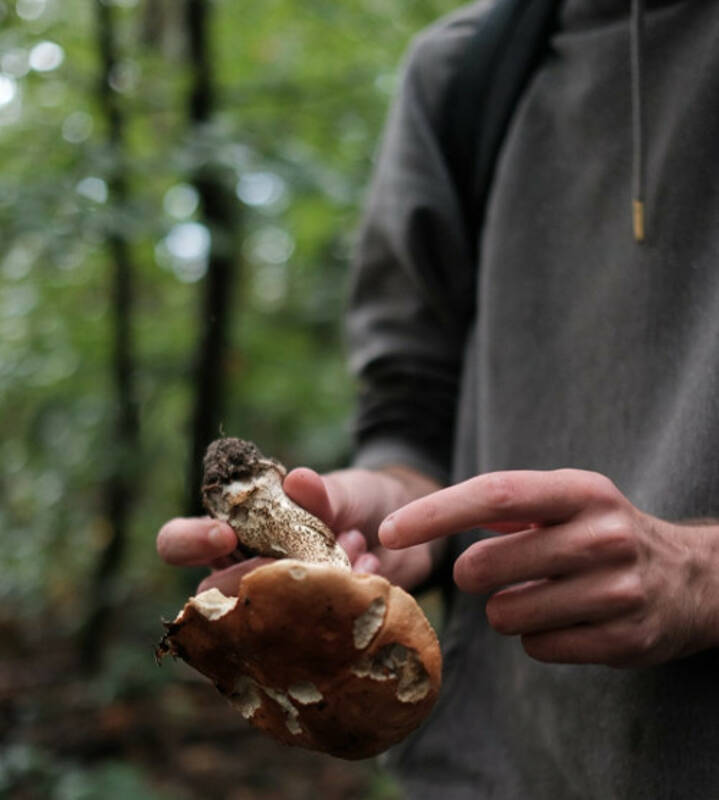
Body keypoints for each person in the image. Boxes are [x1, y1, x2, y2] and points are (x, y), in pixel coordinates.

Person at [157, 0, 719, 796]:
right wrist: (391, 503)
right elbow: (413, 408)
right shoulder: (465, 73)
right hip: (490, 767)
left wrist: (702, 575)